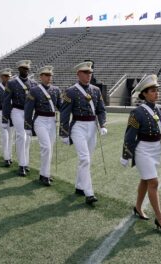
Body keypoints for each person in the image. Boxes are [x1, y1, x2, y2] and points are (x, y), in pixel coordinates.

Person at [120, 74, 161, 230]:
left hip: (156, 149)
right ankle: (160, 219)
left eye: (157, 90)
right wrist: (126, 155)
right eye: (152, 91)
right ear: (144, 94)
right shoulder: (137, 112)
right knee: (153, 182)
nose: (156, 93)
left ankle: (138, 207)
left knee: (145, 180)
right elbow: (130, 135)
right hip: (142, 150)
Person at [59, 61, 107, 205]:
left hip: (92, 126)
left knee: (87, 159)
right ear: (78, 74)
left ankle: (80, 186)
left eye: (90, 72)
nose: (89, 75)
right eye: (86, 72)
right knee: (85, 159)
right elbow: (65, 113)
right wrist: (64, 133)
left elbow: (101, 109)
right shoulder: (71, 91)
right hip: (78, 126)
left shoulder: (96, 90)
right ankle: (89, 193)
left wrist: (102, 124)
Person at [25, 65, 62, 186]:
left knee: (49, 148)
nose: (49, 77)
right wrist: (28, 126)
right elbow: (28, 110)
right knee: (46, 147)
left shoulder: (56, 90)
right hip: (40, 120)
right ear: (41, 76)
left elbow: (61, 106)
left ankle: (44, 174)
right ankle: (45, 175)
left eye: (50, 75)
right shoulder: (34, 90)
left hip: (51, 121)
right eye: (46, 75)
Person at [2, 60, 37, 176]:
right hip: (16, 111)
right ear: (19, 69)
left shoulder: (33, 84)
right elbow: (6, 101)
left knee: (27, 138)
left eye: (26, 68)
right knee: (21, 135)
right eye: (23, 68)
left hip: (28, 113)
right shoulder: (11, 83)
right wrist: (5, 118)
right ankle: (21, 165)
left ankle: (25, 163)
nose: (25, 70)